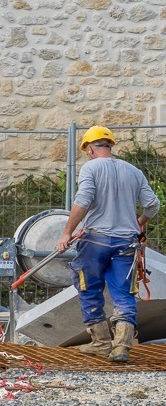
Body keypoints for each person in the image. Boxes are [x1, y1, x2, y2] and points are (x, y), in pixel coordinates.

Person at [57, 126, 160, 364]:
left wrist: (66, 233)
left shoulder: (91, 168)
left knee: (90, 289)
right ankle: (122, 346)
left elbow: (83, 201)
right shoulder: (133, 171)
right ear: (110, 146)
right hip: (126, 243)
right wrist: (140, 222)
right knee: (124, 293)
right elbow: (153, 205)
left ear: (89, 149)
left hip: (95, 242)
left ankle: (101, 343)